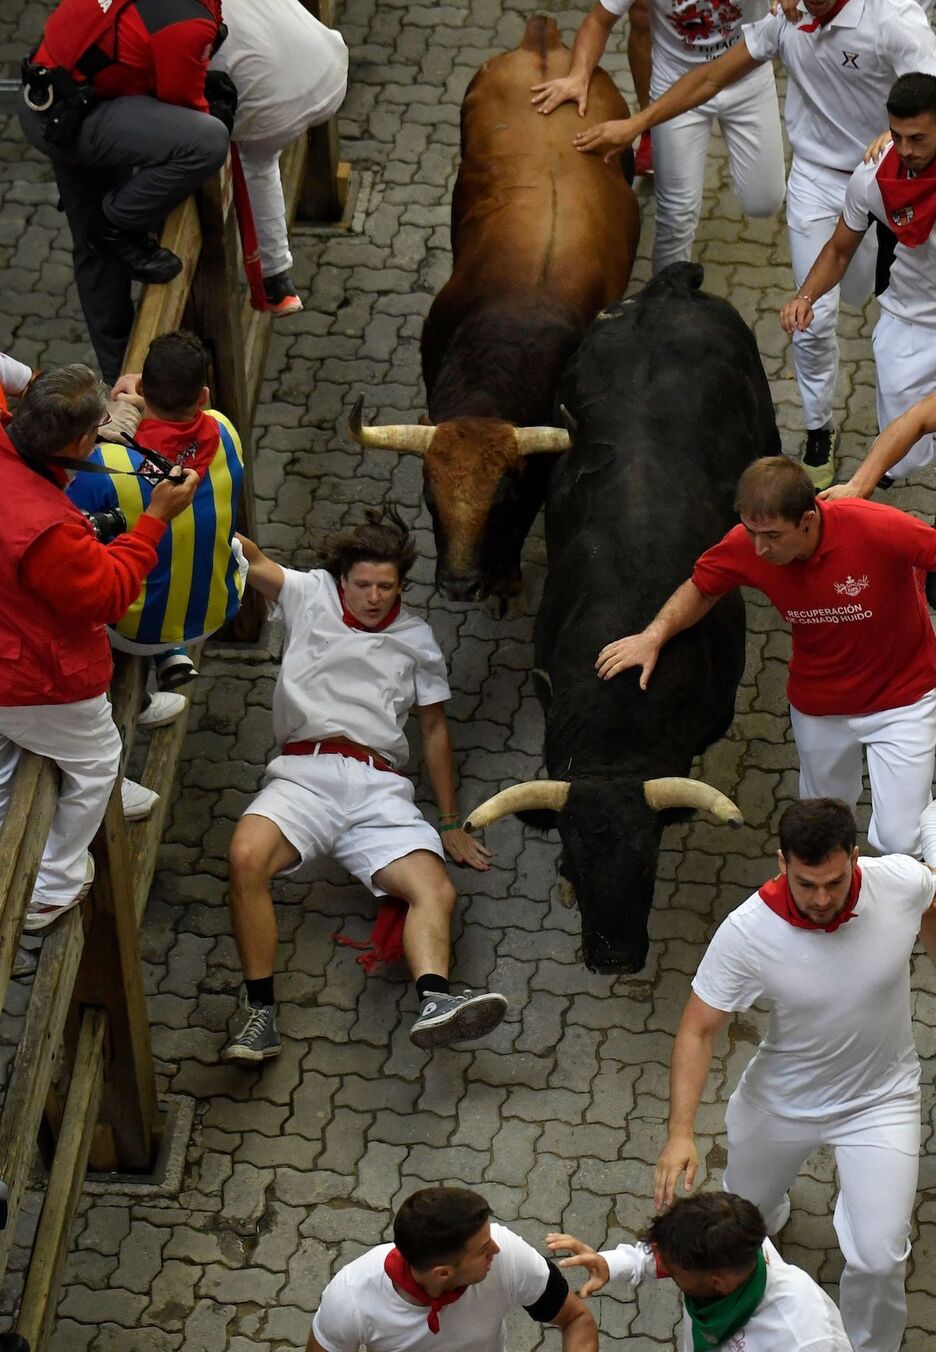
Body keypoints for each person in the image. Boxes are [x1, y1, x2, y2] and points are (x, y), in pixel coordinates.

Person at [565, 0, 936, 491]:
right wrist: (638, 125)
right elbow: (709, 78)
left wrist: (887, 142)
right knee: (814, 317)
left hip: (889, 183)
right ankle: (818, 428)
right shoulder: (786, 22)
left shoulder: (893, 19)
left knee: (856, 294)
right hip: (817, 180)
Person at [222, 510, 508, 1062]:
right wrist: (192, 508)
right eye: (363, 585)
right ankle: (261, 1015)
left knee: (437, 890)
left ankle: (435, 1002)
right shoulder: (309, 594)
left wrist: (449, 821)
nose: (374, 597)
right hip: (303, 775)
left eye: (386, 586)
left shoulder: (417, 638)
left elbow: (433, 729)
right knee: (244, 856)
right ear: (342, 579)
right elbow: (251, 559)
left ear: (401, 584)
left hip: (379, 787)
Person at [653, 799, 936, 1352]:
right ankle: (773, 1209)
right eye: (808, 884)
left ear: (855, 858)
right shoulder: (747, 931)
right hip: (781, 1100)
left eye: (834, 880)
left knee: (879, 1258)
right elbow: (697, 1031)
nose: (823, 899)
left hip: (881, 1098)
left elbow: (930, 896)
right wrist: (681, 1133)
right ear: (782, 863)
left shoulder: (899, 881)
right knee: (745, 1222)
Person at [597, 455, 936, 857]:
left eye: (772, 535)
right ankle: (837, 902)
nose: (759, 548)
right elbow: (704, 586)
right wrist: (652, 636)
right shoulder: (747, 545)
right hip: (820, 707)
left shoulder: (877, 527)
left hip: (905, 701)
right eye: (750, 530)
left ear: (808, 520)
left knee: (899, 840)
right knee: (823, 827)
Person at [0, 365, 198, 929]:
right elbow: (108, 596)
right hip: (32, 677)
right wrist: (155, 519)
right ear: (81, 441)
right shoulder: (46, 530)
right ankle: (49, 889)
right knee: (96, 760)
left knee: (6, 759)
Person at [18, 0, 231, 385]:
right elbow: (186, 112)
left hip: (55, 93)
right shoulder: (186, 21)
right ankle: (118, 222)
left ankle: (119, 375)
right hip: (72, 117)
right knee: (208, 142)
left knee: (93, 249)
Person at [530, 0, 784, 275]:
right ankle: (667, 300)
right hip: (675, 85)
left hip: (747, 76)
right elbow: (598, 21)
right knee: (677, 213)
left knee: (764, 202)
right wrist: (578, 74)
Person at [68, 330, 245, 693]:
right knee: (232, 546)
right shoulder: (226, 431)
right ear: (204, 396)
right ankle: (173, 653)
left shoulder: (106, 463)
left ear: (144, 391)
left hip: (132, 630)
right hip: (216, 612)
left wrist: (124, 405)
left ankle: (151, 678)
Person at [781, 74, 936, 484]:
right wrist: (806, 297)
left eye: (917, 138)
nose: (905, 150)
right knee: (902, 460)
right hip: (909, 321)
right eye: (897, 136)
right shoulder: (871, 179)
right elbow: (839, 250)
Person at [548, 1192, 851, 1351]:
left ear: (719, 1283)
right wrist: (612, 1264)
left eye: (675, 1274)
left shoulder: (807, 1341)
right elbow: (668, 1255)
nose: (666, 1270)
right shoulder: (733, 1248)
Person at [307, 1186, 597, 1352]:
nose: (496, 1249)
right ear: (443, 1273)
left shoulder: (505, 1254)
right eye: (484, 1250)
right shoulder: (351, 1298)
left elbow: (575, 1319)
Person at [209, 0, 349, 316]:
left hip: (279, 106)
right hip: (331, 66)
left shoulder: (175, 20)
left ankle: (275, 280)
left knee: (256, 162)